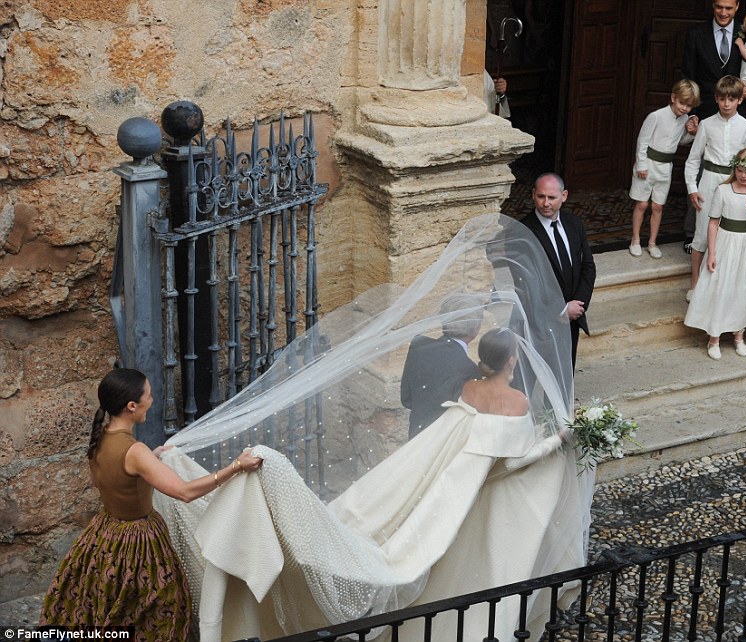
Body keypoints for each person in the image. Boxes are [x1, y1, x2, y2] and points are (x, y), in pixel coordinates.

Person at [152, 214, 593, 642]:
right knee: (479, 555)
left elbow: (419, 405)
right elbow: (512, 461)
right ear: (512, 360)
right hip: (471, 485)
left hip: (434, 464)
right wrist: (559, 440)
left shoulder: (464, 381)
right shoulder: (512, 400)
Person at [39, 367, 263, 639]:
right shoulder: (134, 451)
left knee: (107, 601)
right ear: (132, 406)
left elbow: (109, 480)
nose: (152, 400)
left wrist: (151, 460)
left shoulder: (100, 438)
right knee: (160, 605)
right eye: (149, 395)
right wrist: (236, 466)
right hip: (138, 541)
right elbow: (184, 492)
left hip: (104, 533)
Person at [684, 148, 746, 359]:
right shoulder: (723, 190)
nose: (743, 175)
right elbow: (713, 222)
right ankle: (714, 337)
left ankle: (739, 334)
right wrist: (711, 253)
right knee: (721, 287)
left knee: (744, 289)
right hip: (725, 243)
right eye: (740, 170)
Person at [680, 0, 746, 253]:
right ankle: (693, 234)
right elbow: (688, 74)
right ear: (712, 6)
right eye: (719, 7)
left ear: (737, 7)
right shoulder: (696, 34)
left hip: (738, 113)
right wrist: (693, 115)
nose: (723, 12)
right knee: (700, 171)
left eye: (729, 8)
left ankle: (729, 235)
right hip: (706, 113)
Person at [684, 75, 746, 299]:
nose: (726, 104)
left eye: (731, 99)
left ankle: (721, 283)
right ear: (716, 99)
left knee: (728, 233)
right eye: (723, 99)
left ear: (739, 101)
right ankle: (695, 283)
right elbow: (693, 159)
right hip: (709, 180)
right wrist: (692, 188)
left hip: (734, 183)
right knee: (702, 232)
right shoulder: (706, 124)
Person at [521, 172, 596, 367]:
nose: (546, 203)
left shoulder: (574, 223)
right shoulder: (523, 233)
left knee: (566, 376)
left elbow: (587, 266)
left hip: (572, 317)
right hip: (541, 323)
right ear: (533, 195)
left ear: (564, 196)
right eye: (541, 196)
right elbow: (526, 283)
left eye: (552, 197)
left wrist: (578, 306)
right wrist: (560, 310)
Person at [628, 79, 700, 259]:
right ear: (673, 97)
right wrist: (642, 164)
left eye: (689, 106)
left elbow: (679, 141)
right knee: (642, 203)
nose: (684, 108)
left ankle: (652, 242)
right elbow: (642, 141)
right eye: (682, 103)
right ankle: (635, 240)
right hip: (647, 165)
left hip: (665, 168)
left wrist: (691, 134)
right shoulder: (656, 116)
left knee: (658, 206)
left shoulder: (684, 119)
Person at [400, 294, 483, 438]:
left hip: (415, 436)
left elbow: (406, 399)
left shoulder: (418, 345)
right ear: (475, 328)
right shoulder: (469, 370)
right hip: (442, 444)